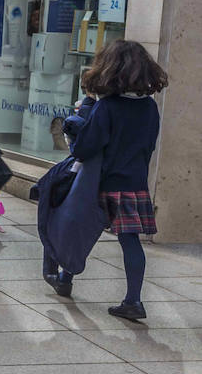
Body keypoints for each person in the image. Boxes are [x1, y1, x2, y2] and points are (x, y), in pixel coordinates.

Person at [42, 40, 166, 321]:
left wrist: (82, 114)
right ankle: (133, 300)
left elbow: (85, 148)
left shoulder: (107, 107)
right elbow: (148, 146)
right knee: (130, 241)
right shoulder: (149, 108)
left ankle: (64, 277)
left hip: (99, 183)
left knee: (78, 230)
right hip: (133, 183)